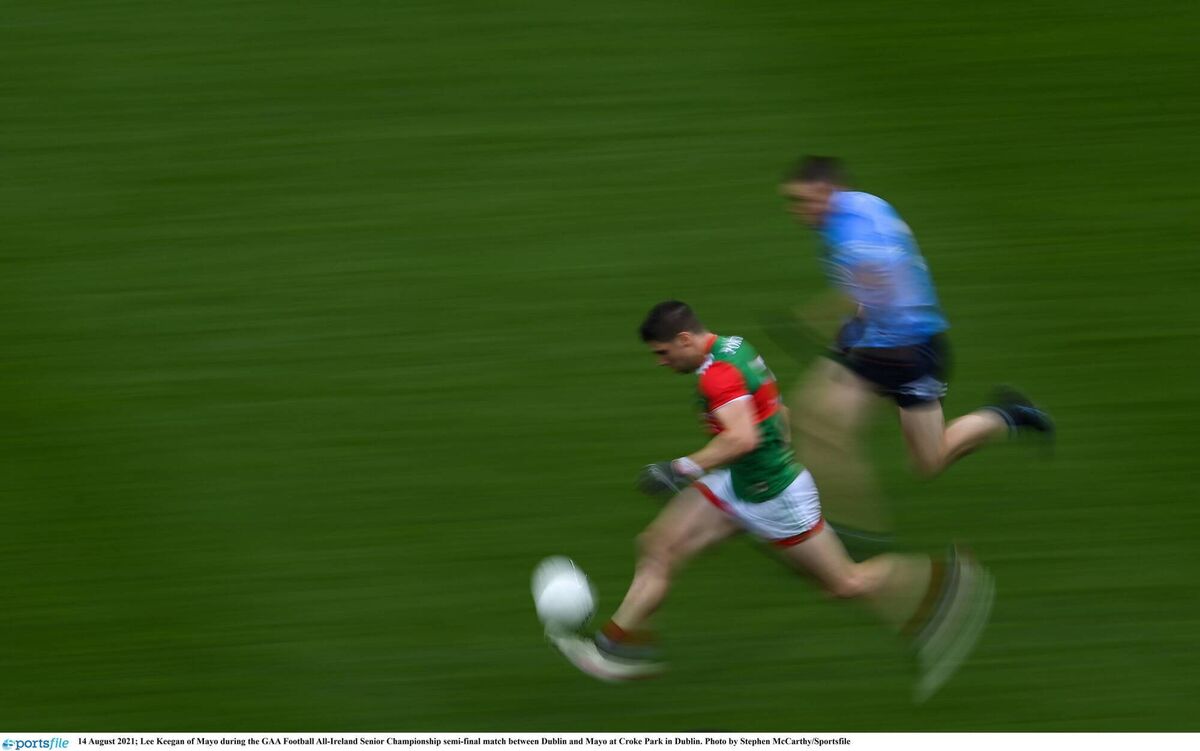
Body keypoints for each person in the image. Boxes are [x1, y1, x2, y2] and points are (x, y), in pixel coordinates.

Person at [547, 301, 994, 702]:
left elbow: (741, 437)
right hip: (740, 484)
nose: (662, 363)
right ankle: (617, 644)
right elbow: (777, 414)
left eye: (663, 353)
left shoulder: (718, 376)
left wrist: (679, 468)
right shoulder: (734, 347)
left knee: (845, 585)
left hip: (774, 499)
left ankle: (941, 589)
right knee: (659, 545)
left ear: (684, 339)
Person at [776, 156, 1054, 551]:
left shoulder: (850, 235)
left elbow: (883, 284)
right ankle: (847, 528)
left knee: (929, 461)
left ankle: (1009, 414)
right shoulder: (863, 204)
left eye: (802, 201)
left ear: (826, 192)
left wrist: (824, 318)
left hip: (910, 354)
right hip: (877, 346)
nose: (797, 211)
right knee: (818, 421)